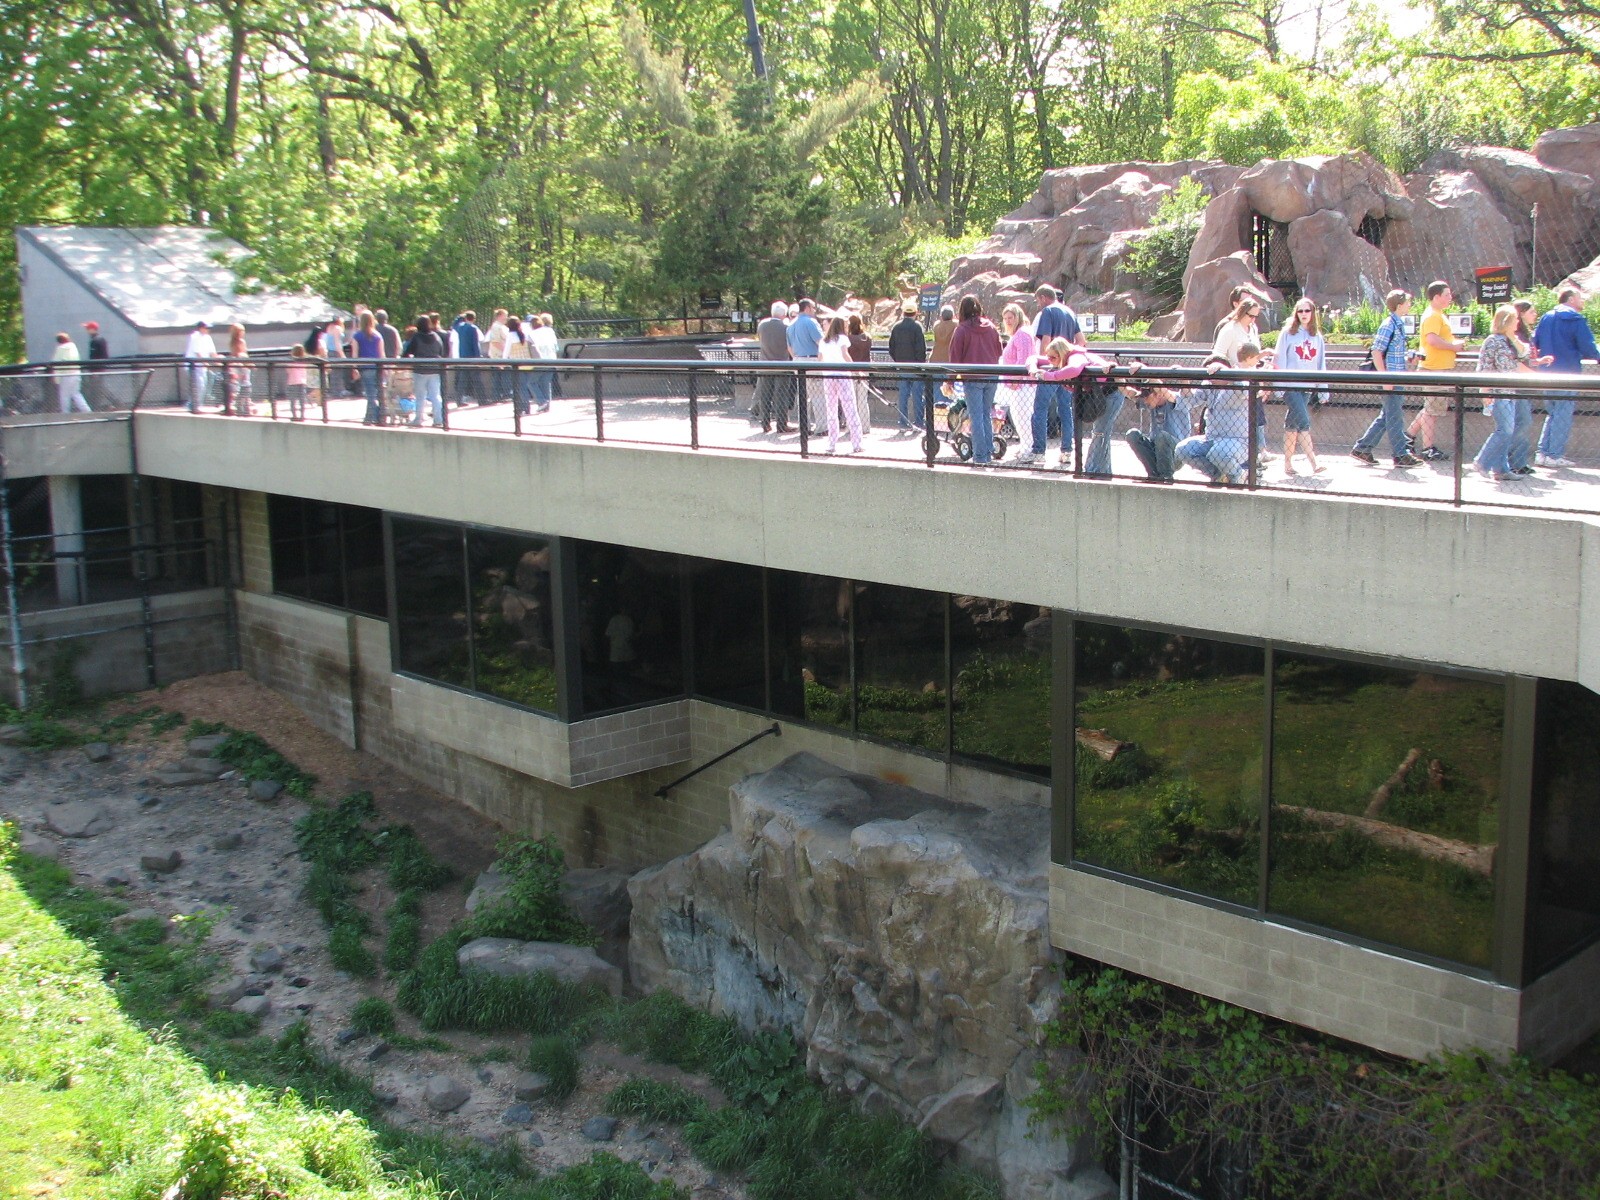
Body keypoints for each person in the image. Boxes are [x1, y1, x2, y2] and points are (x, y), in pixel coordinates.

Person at [1029, 337, 1139, 475]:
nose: (1049, 360)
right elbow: (1033, 358)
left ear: (1062, 354)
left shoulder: (1075, 357)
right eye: (1048, 357)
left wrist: (1049, 375)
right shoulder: (1060, 359)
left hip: (1111, 393)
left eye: (1053, 357)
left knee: (1100, 432)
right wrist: (1033, 369)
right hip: (1098, 395)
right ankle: (1100, 471)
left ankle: (1094, 470)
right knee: (1100, 432)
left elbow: (1075, 369)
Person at [1350, 290, 1424, 468]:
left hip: (1396, 377)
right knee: (1395, 417)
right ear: (1399, 305)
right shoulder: (1389, 324)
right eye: (1407, 302)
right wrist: (1385, 379)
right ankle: (1400, 454)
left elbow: (1392, 352)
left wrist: (1409, 357)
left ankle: (1362, 448)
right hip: (1391, 378)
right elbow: (1377, 351)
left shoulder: (1397, 324)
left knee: (1388, 416)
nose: (1410, 305)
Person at [1534, 285, 1600, 468]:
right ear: (1571, 299)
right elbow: (1587, 346)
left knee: (1552, 413)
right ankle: (1554, 455)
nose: (1583, 300)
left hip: (1546, 373)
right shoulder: (1575, 319)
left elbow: (1535, 342)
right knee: (1563, 414)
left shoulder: (1547, 317)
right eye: (1580, 297)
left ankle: (1542, 453)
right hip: (1568, 373)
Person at [1474, 305, 1538, 482]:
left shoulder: (1509, 341)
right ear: (1506, 321)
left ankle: (1501, 469)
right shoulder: (1492, 341)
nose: (1518, 321)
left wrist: (1513, 338)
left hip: (1510, 392)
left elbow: (1524, 354)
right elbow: (1485, 366)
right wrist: (1485, 391)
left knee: (1507, 430)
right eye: (1515, 319)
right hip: (1497, 392)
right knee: (1505, 429)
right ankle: (1482, 461)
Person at [1176, 350, 1258, 485]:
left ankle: (1238, 474)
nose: (1210, 378)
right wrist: (1184, 379)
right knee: (1183, 450)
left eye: (1213, 374)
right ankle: (1218, 475)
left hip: (1237, 441)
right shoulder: (1209, 383)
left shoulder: (1239, 380)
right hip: (1211, 438)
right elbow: (1190, 401)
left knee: (1217, 452)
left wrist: (1227, 374)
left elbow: (1244, 389)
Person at [1404, 280, 1463, 461]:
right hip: (1434, 368)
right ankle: (1427, 448)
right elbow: (1432, 340)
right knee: (1431, 410)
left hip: (1438, 367)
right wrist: (1453, 347)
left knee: (1431, 407)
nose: (1450, 297)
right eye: (1446, 294)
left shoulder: (1438, 315)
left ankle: (1407, 437)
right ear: (1436, 297)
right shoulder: (1433, 316)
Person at [1028, 285, 1084, 463]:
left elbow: (1045, 342)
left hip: (1051, 368)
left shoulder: (1048, 311)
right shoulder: (1070, 312)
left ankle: (1039, 451)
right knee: (1065, 409)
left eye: (1038, 301)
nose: (1038, 304)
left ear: (1043, 298)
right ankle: (1067, 451)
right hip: (1066, 368)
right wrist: (1068, 359)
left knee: (1040, 409)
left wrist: (1046, 363)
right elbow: (1081, 341)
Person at [1274, 298, 1326, 475]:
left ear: (1312, 313)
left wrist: (1323, 390)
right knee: (1304, 421)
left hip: (1307, 386)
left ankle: (1287, 464)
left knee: (1293, 423)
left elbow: (1321, 364)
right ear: (1296, 313)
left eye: (1307, 311)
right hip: (1290, 385)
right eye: (1300, 311)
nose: (1304, 314)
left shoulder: (1317, 336)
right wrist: (1279, 386)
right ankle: (1314, 463)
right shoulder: (1287, 333)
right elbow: (1279, 358)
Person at [949, 294, 1003, 465]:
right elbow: (999, 351)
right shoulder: (991, 327)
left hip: (972, 377)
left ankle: (980, 456)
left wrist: (950, 380)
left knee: (976, 416)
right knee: (986, 414)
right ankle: (987, 452)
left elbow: (954, 357)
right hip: (992, 375)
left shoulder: (962, 330)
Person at [1508, 298, 1552, 475]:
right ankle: (1515, 463)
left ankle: (1518, 462)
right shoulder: (1515, 335)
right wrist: (1536, 375)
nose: (1535, 314)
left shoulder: (1526, 334)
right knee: (1522, 422)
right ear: (1521, 313)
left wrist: (1538, 361)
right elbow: (1515, 363)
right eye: (1532, 311)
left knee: (1522, 423)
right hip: (1518, 387)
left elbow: (1526, 359)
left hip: (1525, 386)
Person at [1123, 384, 1192, 481]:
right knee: (1132, 434)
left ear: (1159, 395)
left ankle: (1166, 477)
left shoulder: (1175, 401)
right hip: (1156, 450)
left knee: (1162, 436)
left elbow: (1164, 391)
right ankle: (1153, 475)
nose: (1145, 401)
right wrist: (1114, 376)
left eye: (1147, 397)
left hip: (1176, 453)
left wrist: (1151, 377)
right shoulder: (1152, 403)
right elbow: (1127, 392)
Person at [817, 315, 863, 454]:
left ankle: (831, 443)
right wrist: (856, 370)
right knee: (850, 408)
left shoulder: (823, 341)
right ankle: (856, 443)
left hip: (828, 376)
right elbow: (845, 355)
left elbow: (820, 359)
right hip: (842, 375)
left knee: (831, 410)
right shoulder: (842, 338)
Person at [998, 304, 1038, 461]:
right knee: (1018, 415)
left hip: (1022, 383)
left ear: (1018, 317)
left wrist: (1016, 379)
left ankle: (1028, 449)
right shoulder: (1019, 333)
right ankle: (1025, 446)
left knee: (1022, 416)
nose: (1008, 321)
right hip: (1018, 383)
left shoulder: (1022, 334)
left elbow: (1024, 360)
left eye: (1010, 318)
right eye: (1005, 318)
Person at [786, 299, 825, 433]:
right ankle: (822, 427)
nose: (814, 310)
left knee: (803, 395)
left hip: (797, 360)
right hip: (812, 360)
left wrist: (796, 357)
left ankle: (804, 426)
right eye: (813, 308)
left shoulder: (791, 324)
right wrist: (821, 360)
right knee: (818, 395)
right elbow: (821, 342)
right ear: (807, 308)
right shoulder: (811, 322)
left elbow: (789, 348)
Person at [887, 305, 928, 431]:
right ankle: (919, 422)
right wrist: (921, 364)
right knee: (917, 396)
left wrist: (898, 361)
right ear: (915, 313)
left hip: (902, 367)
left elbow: (891, 348)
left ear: (903, 313)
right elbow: (921, 349)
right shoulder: (917, 327)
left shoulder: (896, 327)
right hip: (915, 368)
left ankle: (903, 422)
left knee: (903, 396)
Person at [754, 301, 793, 434]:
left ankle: (765, 423)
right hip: (782, 365)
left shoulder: (762, 325)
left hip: (764, 365)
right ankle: (781, 424)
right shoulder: (786, 327)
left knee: (765, 395)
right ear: (784, 313)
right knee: (781, 395)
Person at [402, 314, 446, 427]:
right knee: (436, 396)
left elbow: (407, 352)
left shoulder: (417, 337)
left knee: (420, 396)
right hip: (435, 370)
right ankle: (438, 420)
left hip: (420, 370)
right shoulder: (436, 337)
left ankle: (418, 419)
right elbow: (441, 352)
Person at [352, 311, 384, 424]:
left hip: (365, 367)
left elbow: (355, 354)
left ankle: (372, 417)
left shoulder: (357, 336)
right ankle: (374, 417)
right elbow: (381, 354)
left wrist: (354, 368)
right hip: (378, 367)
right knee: (377, 393)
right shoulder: (378, 336)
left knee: (370, 394)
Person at [503, 315, 536, 416]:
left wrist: (503, 362)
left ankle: (523, 408)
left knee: (520, 387)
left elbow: (506, 351)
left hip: (517, 365)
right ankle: (526, 407)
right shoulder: (524, 334)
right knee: (525, 386)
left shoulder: (510, 335)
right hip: (528, 363)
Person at [51, 332, 91, 413]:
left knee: (64, 395)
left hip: (66, 375)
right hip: (76, 373)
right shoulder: (73, 347)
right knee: (76, 393)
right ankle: (87, 411)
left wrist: (56, 379)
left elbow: (56, 364)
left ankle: (65, 413)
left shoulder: (60, 349)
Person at [847, 314, 873, 433]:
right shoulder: (867, 337)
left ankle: (851, 426)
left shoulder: (848, 339)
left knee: (851, 400)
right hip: (864, 370)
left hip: (850, 370)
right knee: (863, 400)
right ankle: (865, 426)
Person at [184, 320, 217, 412]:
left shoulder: (208, 338)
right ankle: (194, 405)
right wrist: (205, 362)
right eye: (206, 328)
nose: (208, 330)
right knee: (199, 385)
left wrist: (218, 360)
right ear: (200, 328)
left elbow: (212, 352)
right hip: (193, 366)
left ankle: (193, 404)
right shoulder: (194, 336)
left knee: (204, 384)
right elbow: (198, 352)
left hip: (202, 366)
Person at [529, 313, 558, 413]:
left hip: (540, 360)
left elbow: (531, 347)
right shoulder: (550, 331)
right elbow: (556, 346)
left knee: (531, 382)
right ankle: (547, 405)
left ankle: (541, 402)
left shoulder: (532, 333)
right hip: (552, 359)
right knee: (546, 383)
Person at [484, 308, 511, 403]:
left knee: (500, 376)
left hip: (502, 356)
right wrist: (506, 352)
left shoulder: (502, 327)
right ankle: (502, 395)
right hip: (498, 356)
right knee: (500, 376)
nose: (506, 318)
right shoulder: (496, 327)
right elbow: (495, 342)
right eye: (505, 316)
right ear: (499, 316)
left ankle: (499, 395)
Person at [225, 324, 252, 415]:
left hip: (237, 365)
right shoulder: (240, 342)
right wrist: (247, 364)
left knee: (239, 387)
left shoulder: (232, 342)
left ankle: (241, 406)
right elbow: (242, 354)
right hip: (241, 365)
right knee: (245, 386)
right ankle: (244, 407)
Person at [82, 321, 109, 409]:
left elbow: (95, 357)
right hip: (100, 369)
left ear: (93, 329)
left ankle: (95, 408)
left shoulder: (95, 341)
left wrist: (93, 370)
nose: (87, 330)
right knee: (97, 390)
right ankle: (96, 407)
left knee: (95, 391)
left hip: (96, 370)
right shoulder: (101, 339)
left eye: (88, 328)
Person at [285, 344, 310, 419]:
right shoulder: (304, 361)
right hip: (302, 382)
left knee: (292, 400)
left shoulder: (290, 362)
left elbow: (288, 371)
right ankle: (302, 415)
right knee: (302, 400)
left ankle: (294, 416)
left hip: (292, 382)